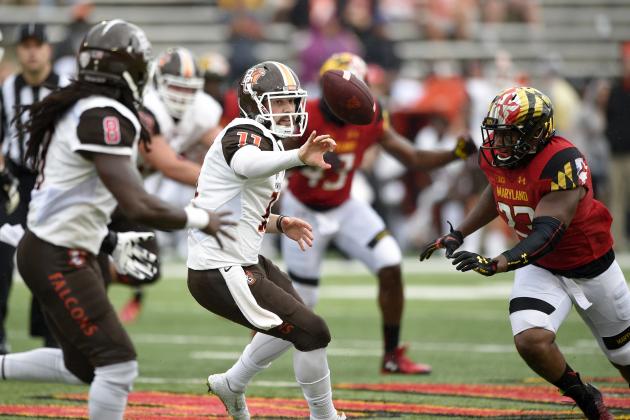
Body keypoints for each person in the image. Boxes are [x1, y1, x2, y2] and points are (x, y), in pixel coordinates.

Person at [0, 20, 233, 420]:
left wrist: (107, 239)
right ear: (124, 69)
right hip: (59, 254)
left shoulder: (84, 106)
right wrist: (200, 218)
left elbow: (82, 194)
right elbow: (136, 201)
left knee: (81, 366)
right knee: (118, 362)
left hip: (62, 245)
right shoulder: (102, 115)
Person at [419, 86, 629, 420]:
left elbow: (547, 231)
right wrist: (459, 232)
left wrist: (498, 262)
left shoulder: (562, 160)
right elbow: (499, 188)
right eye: (496, 134)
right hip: (542, 266)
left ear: (534, 133)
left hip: (589, 266)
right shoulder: (495, 154)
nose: (498, 143)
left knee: (624, 356)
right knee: (531, 340)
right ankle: (586, 398)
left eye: (508, 135)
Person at [281, 52, 476, 374]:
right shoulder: (305, 116)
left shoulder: (372, 115)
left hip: (345, 205)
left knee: (390, 262)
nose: (355, 98)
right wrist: (305, 158)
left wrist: (453, 154)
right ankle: (250, 360)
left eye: (361, 88)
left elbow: (411, 156)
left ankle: (391, 356)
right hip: (305, 210)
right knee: (300, 301)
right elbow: (273, 163)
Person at [187, 60, 344, 420]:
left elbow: (238, 209)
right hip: (219, 269)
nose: (289, 110)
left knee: (297, 320)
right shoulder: (242, 131)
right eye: (279, 102)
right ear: (255, 102)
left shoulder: (266, 139)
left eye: (292, 102)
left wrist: (279, 222)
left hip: (241, 260)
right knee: (313, 333)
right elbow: (246, 163)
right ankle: (325, 417)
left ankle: (232, 382)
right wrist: (299, 157)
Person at [115, 46, 223, 323]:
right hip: (105, 189)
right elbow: (170, 165)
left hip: (131, 191)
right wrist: (223, 181)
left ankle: (98, 272)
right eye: (176, 87)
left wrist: (257, 164)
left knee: (146, 267)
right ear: (158, 82)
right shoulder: (146, 109)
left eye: (190, 89)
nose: (183, 96)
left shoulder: (204, 110)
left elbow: (224, 147)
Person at [0, 22, 69, 354]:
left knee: (50, 256)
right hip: (15, 181)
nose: (30, 51)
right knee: (1, 255)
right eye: (24, 45)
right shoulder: (6, 88)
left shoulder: (66, 89)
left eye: (36, 44)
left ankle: (50, 334)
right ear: (18, 51)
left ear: (48, 50)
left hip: (54, 182)